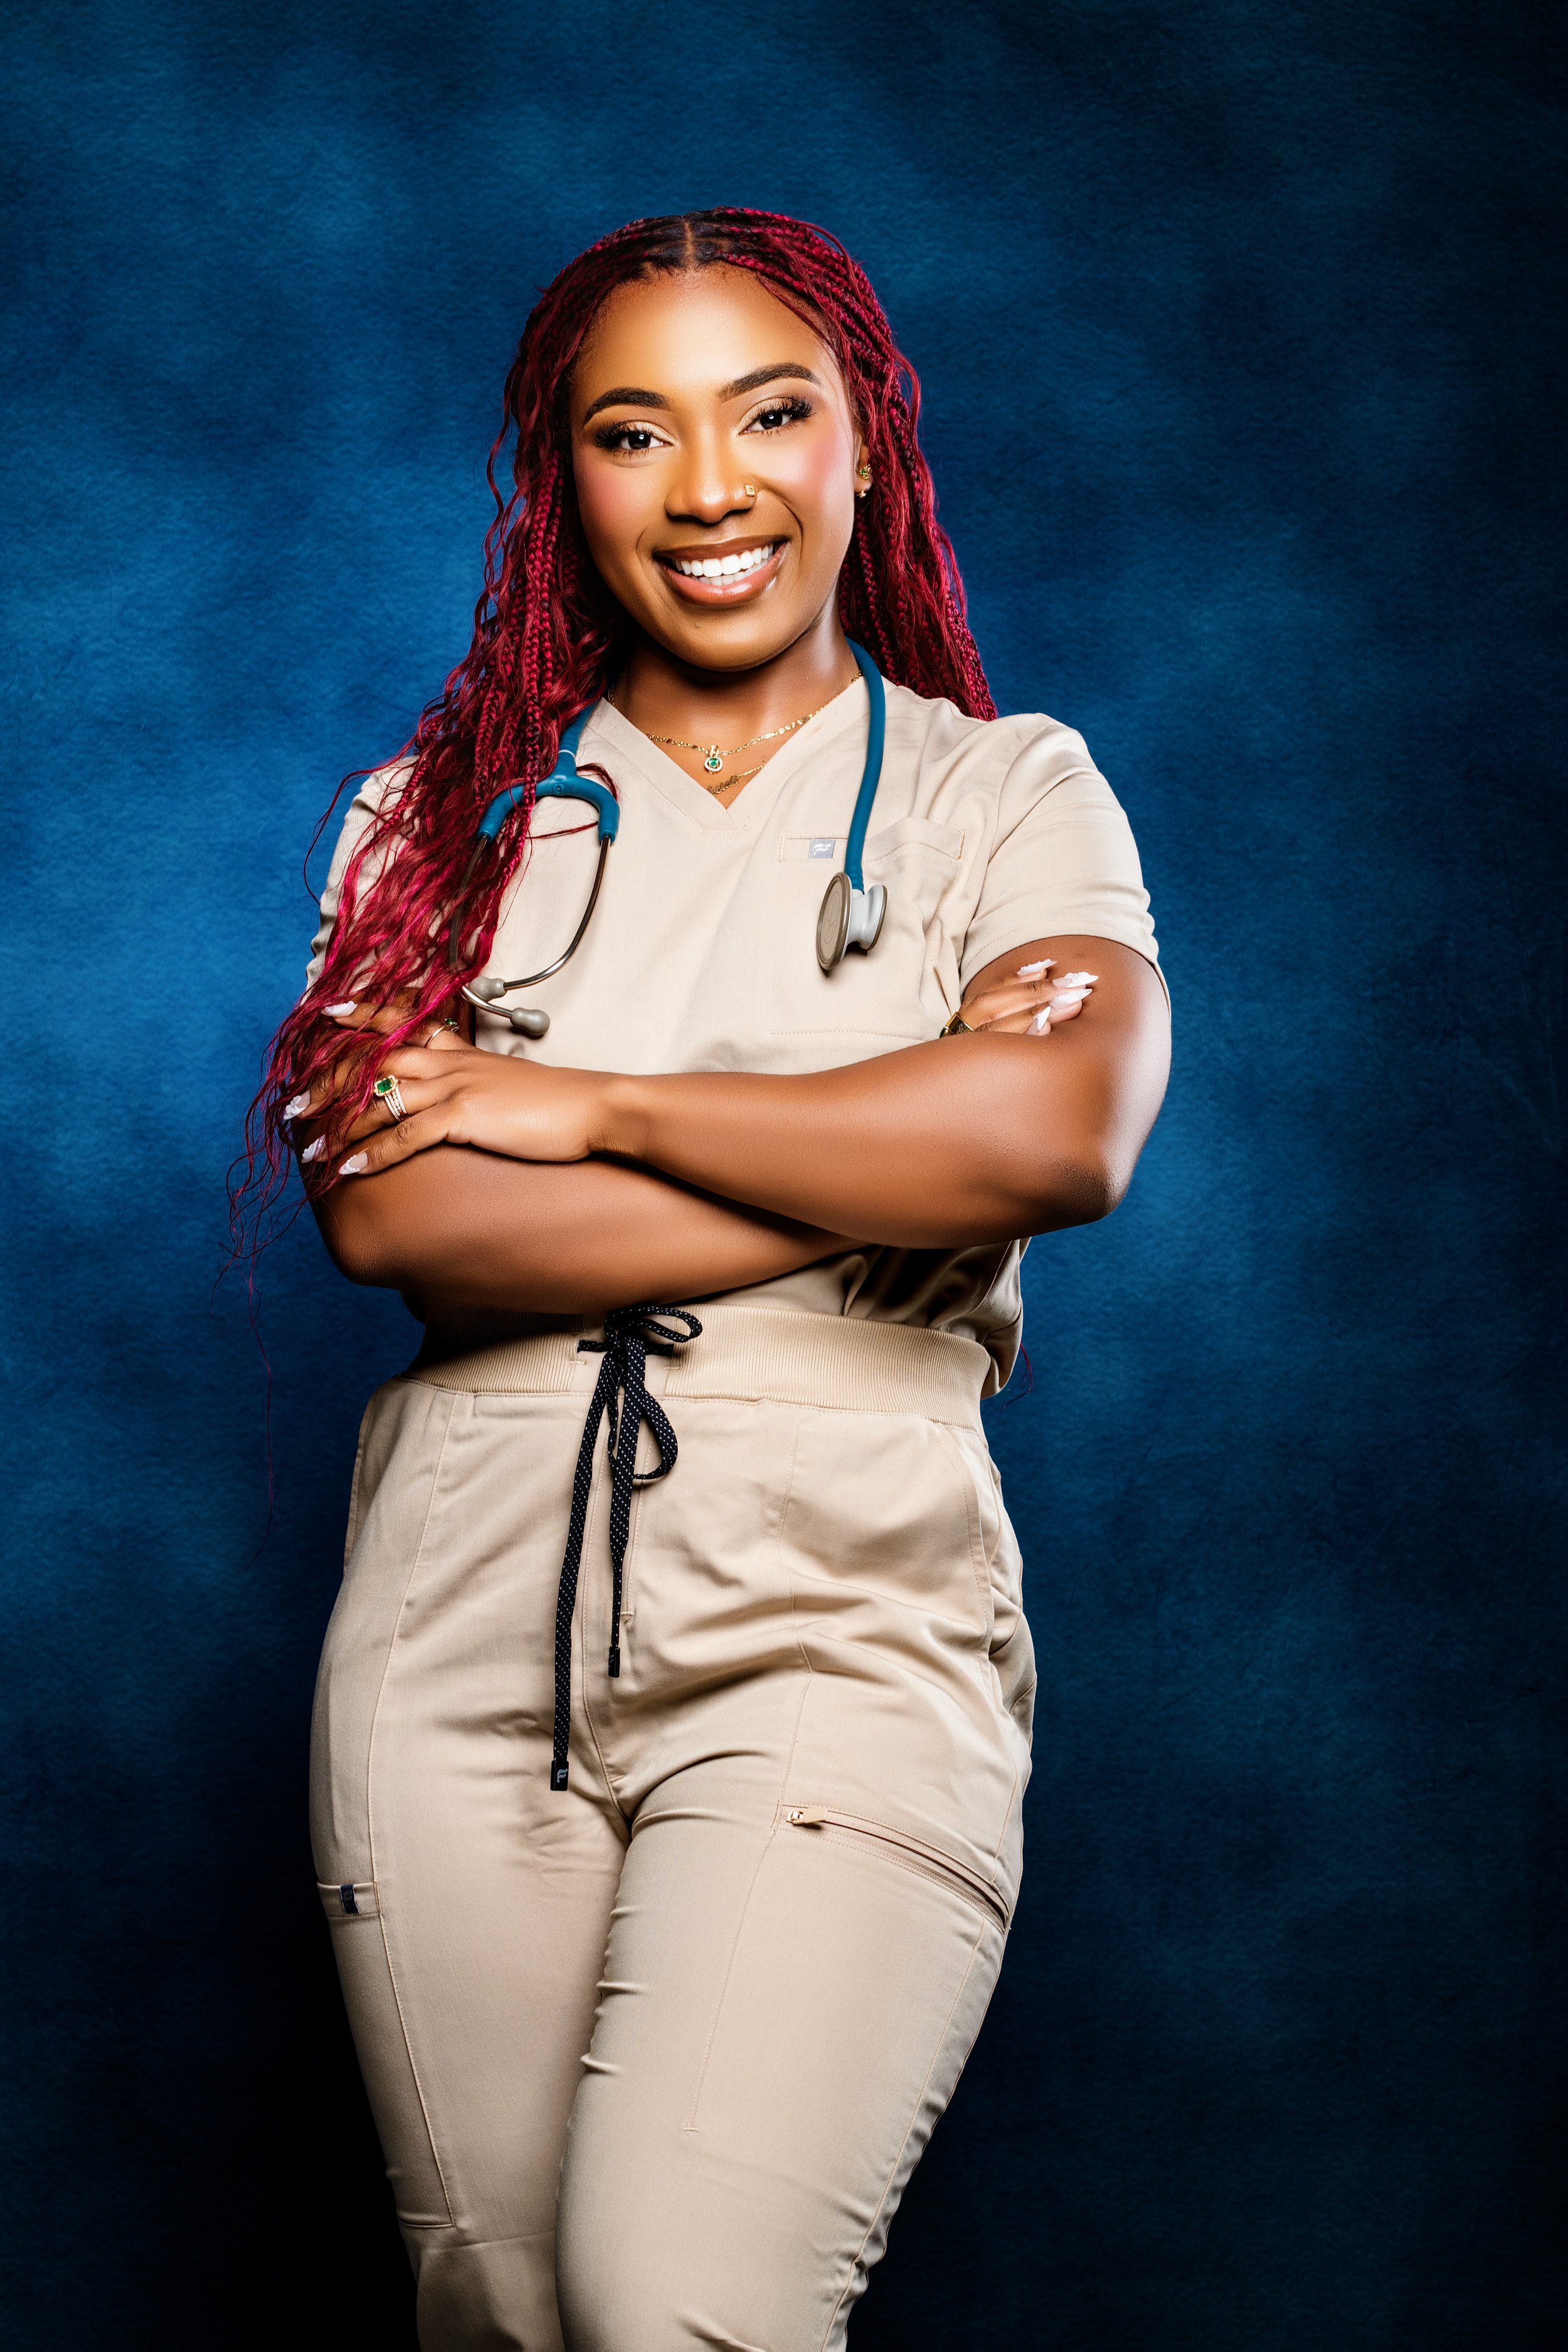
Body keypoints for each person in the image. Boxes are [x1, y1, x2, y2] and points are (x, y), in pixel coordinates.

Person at [263, 208, 1170, 2352]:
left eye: (770, 413)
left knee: (679, 2306)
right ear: (558, 483)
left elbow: (1053, 1138)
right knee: (498, 2320)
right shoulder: (437, 818)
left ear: (868, 440)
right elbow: (390, 1219)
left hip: (840, 1630)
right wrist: (886, 1144)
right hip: (450, 1636)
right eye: (627, 430)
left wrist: (581, 1108)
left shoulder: (996, 789)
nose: (707, 489)